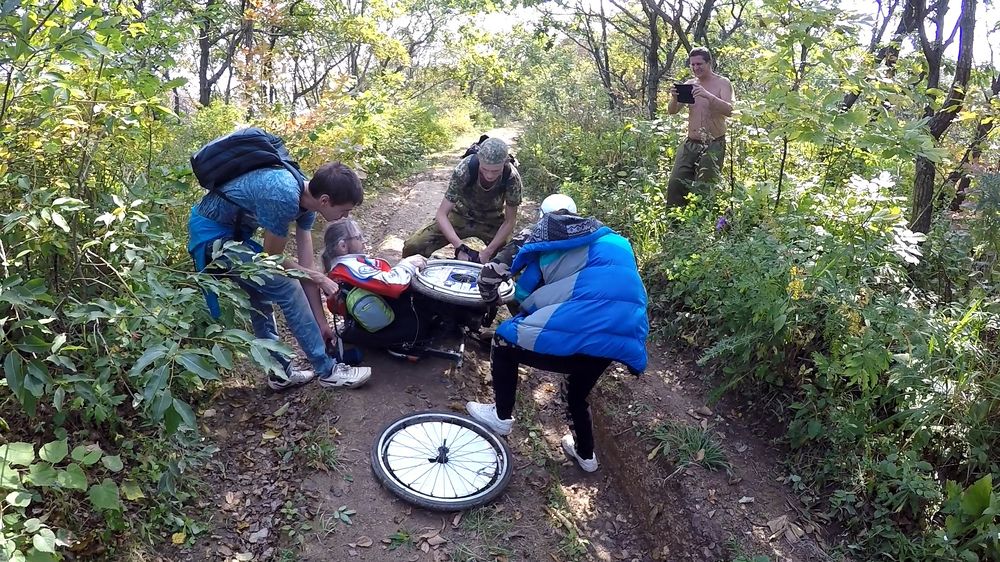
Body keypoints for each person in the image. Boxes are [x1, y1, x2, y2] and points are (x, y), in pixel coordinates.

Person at [466, 195, 649, 472]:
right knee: (577, 391)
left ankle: (500, 416)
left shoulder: (542, 232)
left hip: (584, 322)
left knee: (504, 340)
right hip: (625, 333)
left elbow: (506, 283)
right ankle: (586, 456)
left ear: (543, 215)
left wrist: (490, 302)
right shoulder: (615, 239)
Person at [188, 161, 372, 391]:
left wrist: (321, 323)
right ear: (325, 200)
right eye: (344, 210)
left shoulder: (308, 201)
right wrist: (320, 278)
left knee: (261, 296)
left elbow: (306, 271)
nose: (344, 217)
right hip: (211, 237)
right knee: (287, 287)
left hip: (234, 237)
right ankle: (328, 371)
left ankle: (279, 373)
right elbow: (272, 257)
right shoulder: (283, 197)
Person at [402, 137, 522, 264]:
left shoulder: (512, 178)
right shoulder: (465, 168)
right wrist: (460, 247)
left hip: (492, 220)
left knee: (512, 261)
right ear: (479, 159)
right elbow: (441, 215)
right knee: (413, 247)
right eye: (485, 169)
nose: (489, 175)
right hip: (460, 214)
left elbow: (510, 221)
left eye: (495, 171)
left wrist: (488, 252)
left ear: (505, 163)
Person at [321, 219, 433, 350]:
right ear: (343, 246)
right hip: (386, 325)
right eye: (358, 237)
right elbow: (393, 285)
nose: (363, 240)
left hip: (377, 316)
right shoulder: (347, 268)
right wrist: (407, 264)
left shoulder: (343, 266)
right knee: (426, 321)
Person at [666, 46, 734, 207]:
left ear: (709, 63)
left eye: (699, 64)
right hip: (690, 143)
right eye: (693, 65)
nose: (696, 68)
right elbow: (672, 111)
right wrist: (674, 98)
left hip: (713, 144)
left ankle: (701, 226)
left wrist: (707, 95)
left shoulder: (722, 83)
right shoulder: (690, 84)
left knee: (705, 187)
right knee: (676, 182)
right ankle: (674, 225)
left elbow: (729, 111)